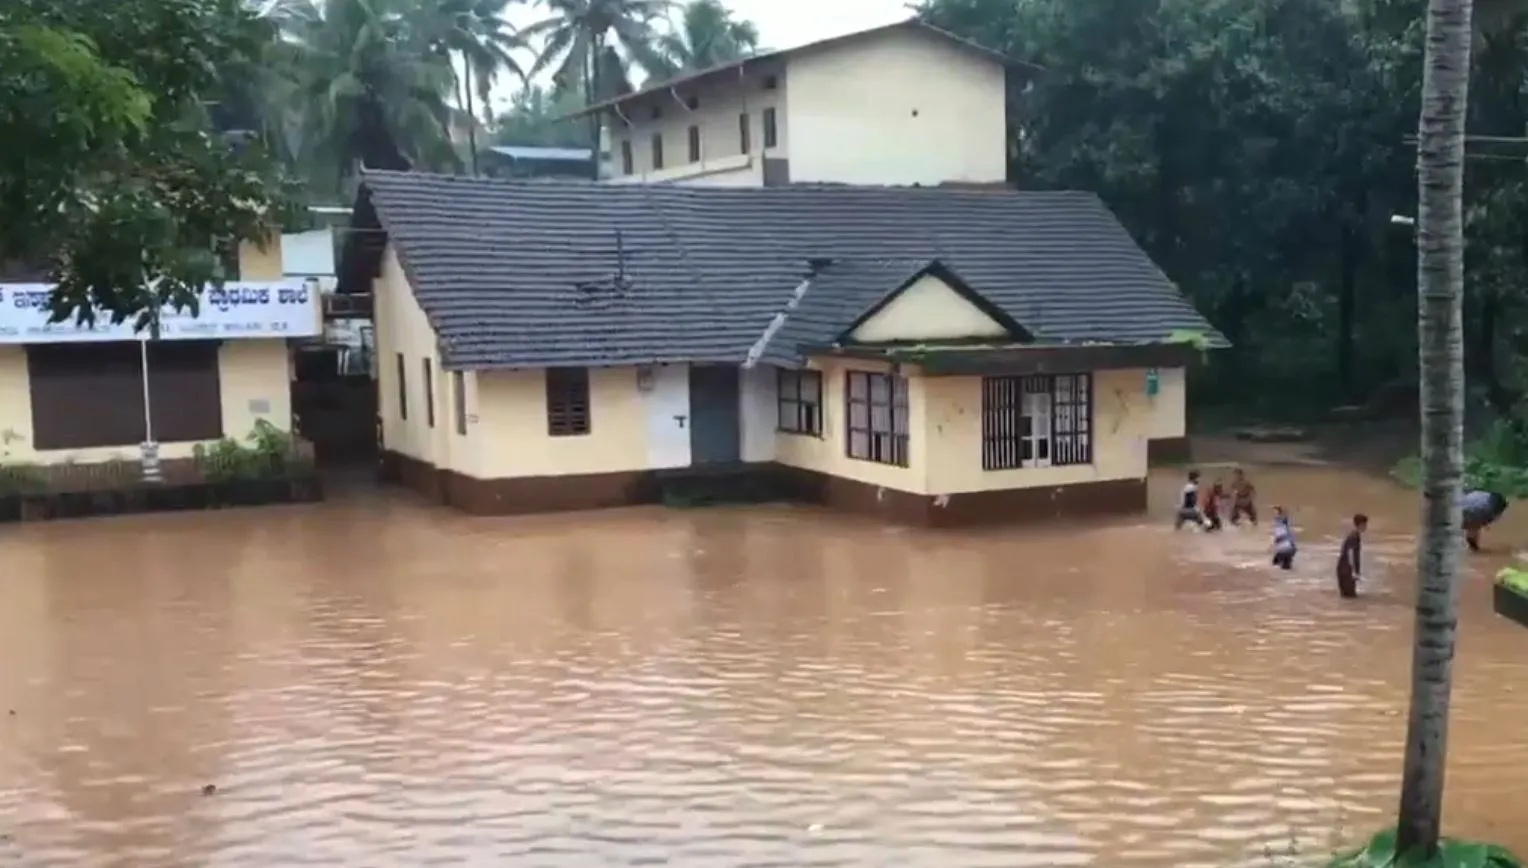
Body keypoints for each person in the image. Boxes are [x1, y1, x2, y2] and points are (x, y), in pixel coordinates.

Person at [1336, 513, 1368, 599]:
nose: (1366, 527)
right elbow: (1350, 554)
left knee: (1348, 598)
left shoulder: (1354, 535)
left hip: (1344, 569)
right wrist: (1354, 572)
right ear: (1361, 525)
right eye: (1365, 525)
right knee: (1350, 597)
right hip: (1346, 570)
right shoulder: (1354, 536)